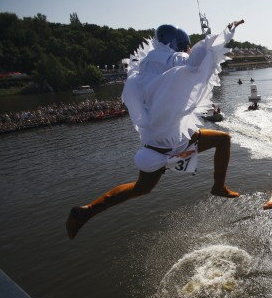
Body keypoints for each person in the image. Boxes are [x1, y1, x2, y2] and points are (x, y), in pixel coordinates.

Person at [65, 20, 245, 240]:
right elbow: (198, 61)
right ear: (178, 44)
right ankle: (219, 187)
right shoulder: (176, 59)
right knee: (223, 139)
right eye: (185, 47)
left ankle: (87, 210)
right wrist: (225, 34)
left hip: (153, 147)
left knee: (141, 188)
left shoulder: (144, 66)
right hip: (175, 142)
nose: (187, 51)